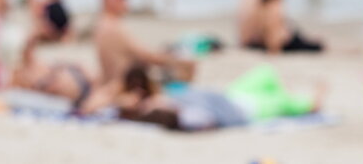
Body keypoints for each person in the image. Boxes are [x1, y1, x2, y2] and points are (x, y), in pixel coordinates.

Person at [118, 65, 323, 131]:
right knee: (282, 101)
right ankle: (311, 100)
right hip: (244, 110)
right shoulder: (186, 116)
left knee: (266, 72)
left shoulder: (166, 97)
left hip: (229, 95)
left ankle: (291, 93)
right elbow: (207, 122)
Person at [94, 0, 196, 85]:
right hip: (129, 84)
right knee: (188, 64)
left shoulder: (103, 24)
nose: (126, 1)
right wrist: (176, 61)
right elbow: (146, 56)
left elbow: (136, 56)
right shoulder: (113, 27)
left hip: (123, 79)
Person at [10, 30, 119, 114]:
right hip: (77, 89)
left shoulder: (32, 64)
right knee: (112, 92)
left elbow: (30, 43)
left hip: (77, 78)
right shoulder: (26, 78)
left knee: (111, 88)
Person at [238, 0, 324, 53]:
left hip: (269, 41)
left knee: (299, 35)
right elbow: (271, 29)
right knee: (315, 46)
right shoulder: (275, 6)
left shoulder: (263, 5)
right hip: (280, 42)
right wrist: (274, 47)